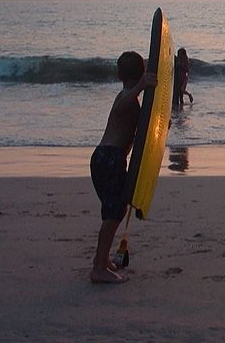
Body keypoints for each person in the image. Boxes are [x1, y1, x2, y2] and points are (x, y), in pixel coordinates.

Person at [89, 51, 156, 284]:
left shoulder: (132, 100)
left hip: (105, 159)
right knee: (113, 214)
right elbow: (121, 108)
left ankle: (103, 259)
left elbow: (142, 135)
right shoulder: (126, 96)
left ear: (118, 73)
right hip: (110, 159)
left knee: (114, 212)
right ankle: (99, 268)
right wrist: (141, 86)